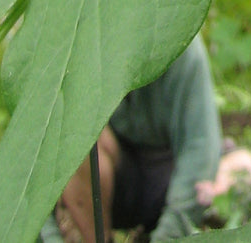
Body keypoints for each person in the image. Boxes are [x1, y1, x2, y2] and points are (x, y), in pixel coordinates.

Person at [42, 35, 222, 242]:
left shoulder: (182, 45)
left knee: (238, 169)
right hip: (116, 184)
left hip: (168, 181)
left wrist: (169, 235)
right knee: (74, 141)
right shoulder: (84, 42)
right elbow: (44, 157)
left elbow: (199, 148)